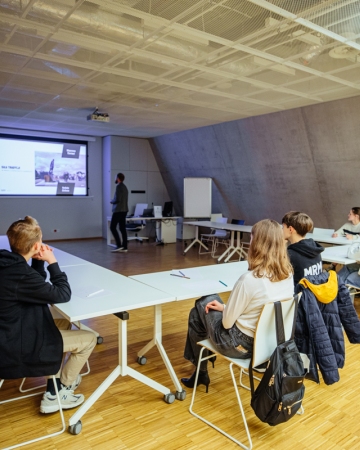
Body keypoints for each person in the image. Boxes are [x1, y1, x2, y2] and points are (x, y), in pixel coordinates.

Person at [181, 219, 294, 391]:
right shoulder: (288, 273)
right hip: (269, 344)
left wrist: (226, 310)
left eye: (251, 238)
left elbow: (227, 324)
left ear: (258, 243)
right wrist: (225, 308)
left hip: (239, 345)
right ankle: (200, 371)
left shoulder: (250, 279)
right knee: (203, 309)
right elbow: (260, 310)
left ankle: (200, 371)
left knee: (202, 302)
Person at [0, 216, 97, 413]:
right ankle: (59, 393)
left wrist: (37, 262)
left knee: (61, 321)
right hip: (16, 346)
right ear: (36, 245)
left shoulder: (8, 263)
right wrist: (52, 262)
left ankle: (55, 379)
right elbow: (62, 294)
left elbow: (35, 287)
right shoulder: (20, 275)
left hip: (9, 331)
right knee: (89, 339)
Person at [282, 211, 324, 285]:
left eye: (283, 227)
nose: (282, 230)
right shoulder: (314, 249)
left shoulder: (290, 254)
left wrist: (280, 246)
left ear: (291, 229)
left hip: (298, 295)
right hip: (315, 294)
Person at [110, 172, 129, 252]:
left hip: (118, 210)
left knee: (112, 227)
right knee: (122, 228)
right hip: (124, 210)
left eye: (115, 178)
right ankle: (124, 247)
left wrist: (112, 201)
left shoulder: (118, 187)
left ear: (118, 178)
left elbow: (117, 199)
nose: (115, 179)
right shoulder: (125, 187)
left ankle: (118, 245)